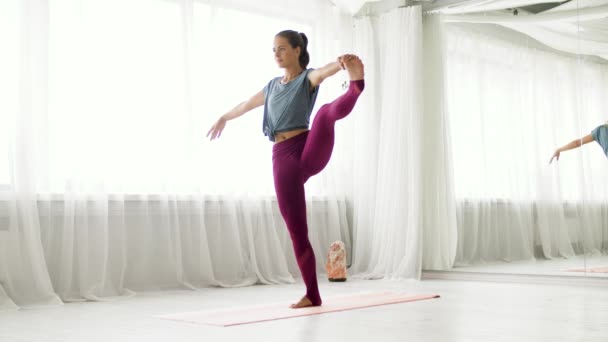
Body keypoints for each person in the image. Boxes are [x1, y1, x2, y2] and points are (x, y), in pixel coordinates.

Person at [206, 30, 365, 308]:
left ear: (297, 50)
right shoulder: (271, 87)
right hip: (283, 158)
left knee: (325, 113)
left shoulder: (307, 78)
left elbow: (324, 72)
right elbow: (246, 105)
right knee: (297, 231)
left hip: (308, 146)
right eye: (274, 50)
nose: (277, 54)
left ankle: (356, 87)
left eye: (282, 48)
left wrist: (341, 64)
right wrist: (224, 117)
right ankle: (312, 295)